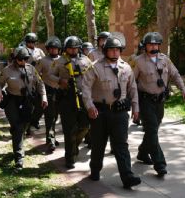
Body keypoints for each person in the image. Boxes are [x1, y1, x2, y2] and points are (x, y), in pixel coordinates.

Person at [82, 35, 141, 189]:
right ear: (105, 51)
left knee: (121, 145)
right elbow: (85, 89)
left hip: (120, 113)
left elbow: (133, 89)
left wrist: (136, 108)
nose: (115, 52)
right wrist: (89, 106)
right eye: (111, 50)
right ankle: (95, 169)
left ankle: (127, 177)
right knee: (98, 145)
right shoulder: (94, 66)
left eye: (117, 50)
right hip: (99, 112)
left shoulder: (126, 67)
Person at [133, 32, 185, 177]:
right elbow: (131, 82)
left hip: (160, 101)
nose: (153, 46)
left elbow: (175, 74)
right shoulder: (138, 61)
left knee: (153, 130)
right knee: (151, 130)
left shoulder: (165, 60)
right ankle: (160, 164)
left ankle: (142, 153)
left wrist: (183, 88)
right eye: (150, 44)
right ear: (145, 46)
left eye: (156, 44)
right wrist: (132, 103)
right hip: (145, 101)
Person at [0, 47, 48, 170]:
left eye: (25, 59)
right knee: (18, 128)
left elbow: (40, 83)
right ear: (15, 59)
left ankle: (17, 135)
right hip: (12, 100)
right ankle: (19, 158)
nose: (23, 61)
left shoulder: (31, 68)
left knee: (23, 125)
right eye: (20, 59)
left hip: (27, 101)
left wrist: (44, 97)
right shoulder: (7, 70)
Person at [49, 36, 92, 169]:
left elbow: (92, 75)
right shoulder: (59, 61)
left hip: (83, 97)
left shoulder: (86, 59)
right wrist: (60, 81)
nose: (72, 50)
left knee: (85, 126)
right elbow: (49, 75)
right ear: (65, 48)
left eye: (75, 47)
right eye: (70, 48)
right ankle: (69, 157)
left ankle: (74, 147)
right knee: (69, 130)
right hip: (67, 98)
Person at [35, 36, 62, 153]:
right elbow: (35, 74)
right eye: (51, 48)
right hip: (48, 91)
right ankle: (51, 140)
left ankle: (51, 137)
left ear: (59, 49)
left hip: (60, 92)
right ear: (47, 49)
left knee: (56, 116)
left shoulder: (63, 60)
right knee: (50, 117)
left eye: (55, 48)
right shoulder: (43, 61)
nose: (53, 50)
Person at [23, 32, 46, 133]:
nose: (31, 43)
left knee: (40, 103)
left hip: (38, 79)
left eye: (33, 42)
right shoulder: (22, 50)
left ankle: (35, 120)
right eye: (29, 42)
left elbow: (44, 61)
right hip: (26, 79)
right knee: (28, 105)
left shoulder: (39, 51)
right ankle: (27, 126)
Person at [127, 39, 145, 125]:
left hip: (144, 83)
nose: (143, 51)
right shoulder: (133, 58)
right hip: (135, 82)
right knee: (135, 100)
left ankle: (140, 117)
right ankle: (136, 117)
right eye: (141, 49)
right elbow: (128, 68)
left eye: (144, 49)